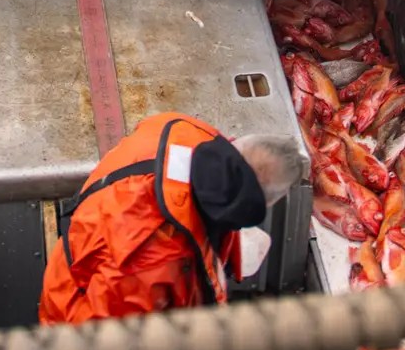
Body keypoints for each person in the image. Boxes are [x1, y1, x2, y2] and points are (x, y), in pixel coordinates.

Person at [39, 112, 307, 325]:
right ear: (267, 203)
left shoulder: (186, 129)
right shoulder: (152, 262)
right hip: (78, 332)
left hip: (103, 231)